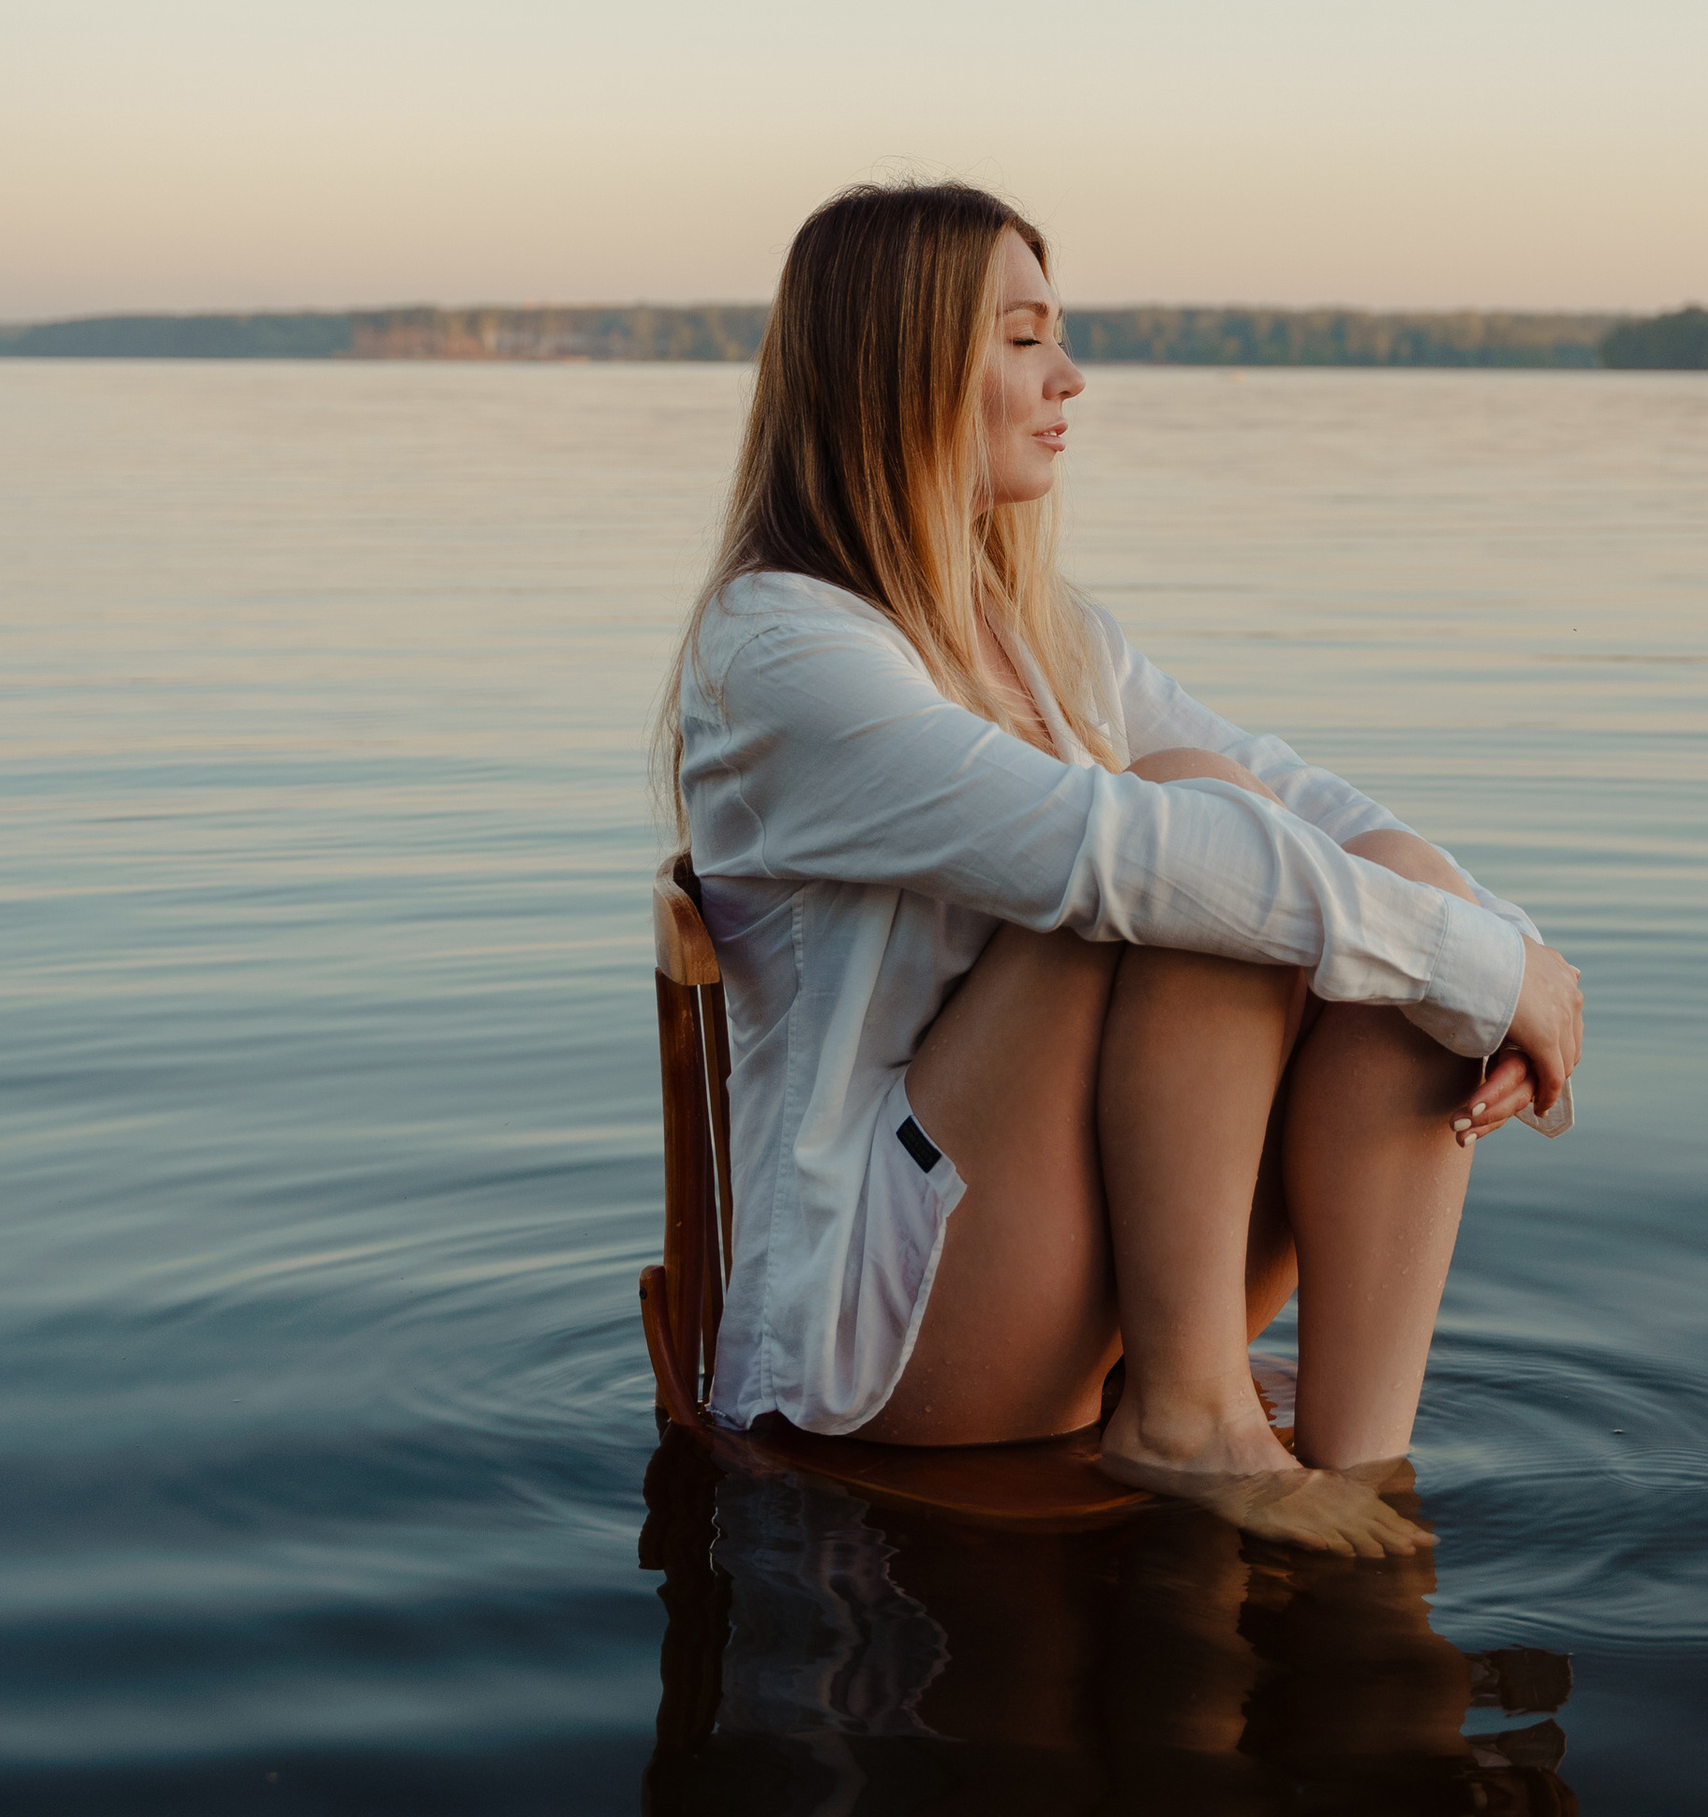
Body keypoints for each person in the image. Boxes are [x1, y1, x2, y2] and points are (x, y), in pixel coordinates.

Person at [661, 180, 1583, 1561]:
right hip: (876, 1334)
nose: (1068, 378)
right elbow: (1125, 851)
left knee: (1370, 870)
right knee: (1192, 834)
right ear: (901, 364)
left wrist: (1503, 945)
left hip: (1058, 1250)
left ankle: (1367, 1461)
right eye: (1024, 337)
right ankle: (1193, 1418)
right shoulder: (785, 655)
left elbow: (1299, 794)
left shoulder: (1033, 629)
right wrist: (1485, 972)